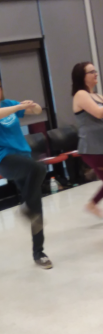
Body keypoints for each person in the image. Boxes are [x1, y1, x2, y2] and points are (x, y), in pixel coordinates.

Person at [0, 76, 52, 269]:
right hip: (4, 160)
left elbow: (35, 111)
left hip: (23, 158)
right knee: (40, 168)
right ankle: (25, 205)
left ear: (1, 89)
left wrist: (32, 106)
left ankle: (39, 253)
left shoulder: (9, 104)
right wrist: (19, 107)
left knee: (36, 209)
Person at [72, 62, 103, 218]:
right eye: (91, 72)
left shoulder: (97, 95)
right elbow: (98, 113)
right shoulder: (80, 94)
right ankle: (92, 204)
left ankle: (92, 204)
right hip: (92, 147)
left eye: (95, 71)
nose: (95, 74)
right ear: (82, 77)